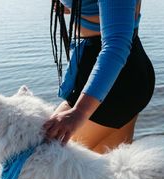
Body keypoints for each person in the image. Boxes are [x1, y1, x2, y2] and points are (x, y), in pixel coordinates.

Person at [44, 0, 155, 153]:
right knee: (109, 172)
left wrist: (79, 113)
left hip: (113, 78)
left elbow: (117, 43)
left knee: (39, 158)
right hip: (119, 75)